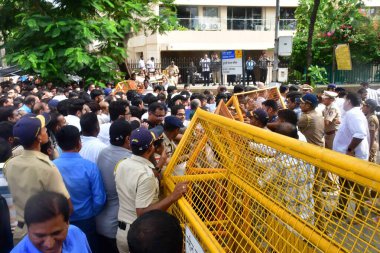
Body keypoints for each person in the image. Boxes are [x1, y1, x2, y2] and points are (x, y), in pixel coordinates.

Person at [114, 127, 188, 253]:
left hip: (123, 233)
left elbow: (139, 176)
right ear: (151, 148)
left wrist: (159, 164)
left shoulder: (121, 164)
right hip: (141, 238)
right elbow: (142, 213)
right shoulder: (146, 175)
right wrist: (173, 196)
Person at [3, 114, 71, 244]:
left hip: (21, 231)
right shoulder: (46, 167)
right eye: (44, 129)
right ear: (39, 137)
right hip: (45, 234)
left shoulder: (10, 164)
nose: (46, 131)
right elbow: (67, 206)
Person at [54, 125, 105, 253]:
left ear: (59, 144)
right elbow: (99, 199)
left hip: (61, 220)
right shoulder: (90, 167)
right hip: (86, 220)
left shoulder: (51, 166)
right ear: (79, 143)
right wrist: (90, 212)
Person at [96, 120, 133, 253]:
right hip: (115, 226)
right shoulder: (129, 160)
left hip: (100, 220)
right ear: (128, 138)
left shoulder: (103, 152)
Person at [11, 191, 91, 253]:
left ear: (67, 223)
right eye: (40, 236)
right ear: (28, 230)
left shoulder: (76, 234)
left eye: (56, 233)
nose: (49, 245)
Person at [332, 92, 370, 220]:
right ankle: (341, 210)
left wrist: (350, 149)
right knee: (344, 185)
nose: (343, 103)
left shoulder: (354, 114)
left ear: (348, 101)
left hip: (352, 157)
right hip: (346, 156)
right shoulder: (351, 114)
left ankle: (360, 214)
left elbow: (360, 134)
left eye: (344, 100)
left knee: (356, 187)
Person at [361, 99, 379, 163]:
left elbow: (372, 134)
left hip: (371, 144)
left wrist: (369, 149)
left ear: (369, 107)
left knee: (370, 164)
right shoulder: (368, 116)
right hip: (368, 143)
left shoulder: (371, 118)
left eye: (364, 105)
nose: (362, 107)